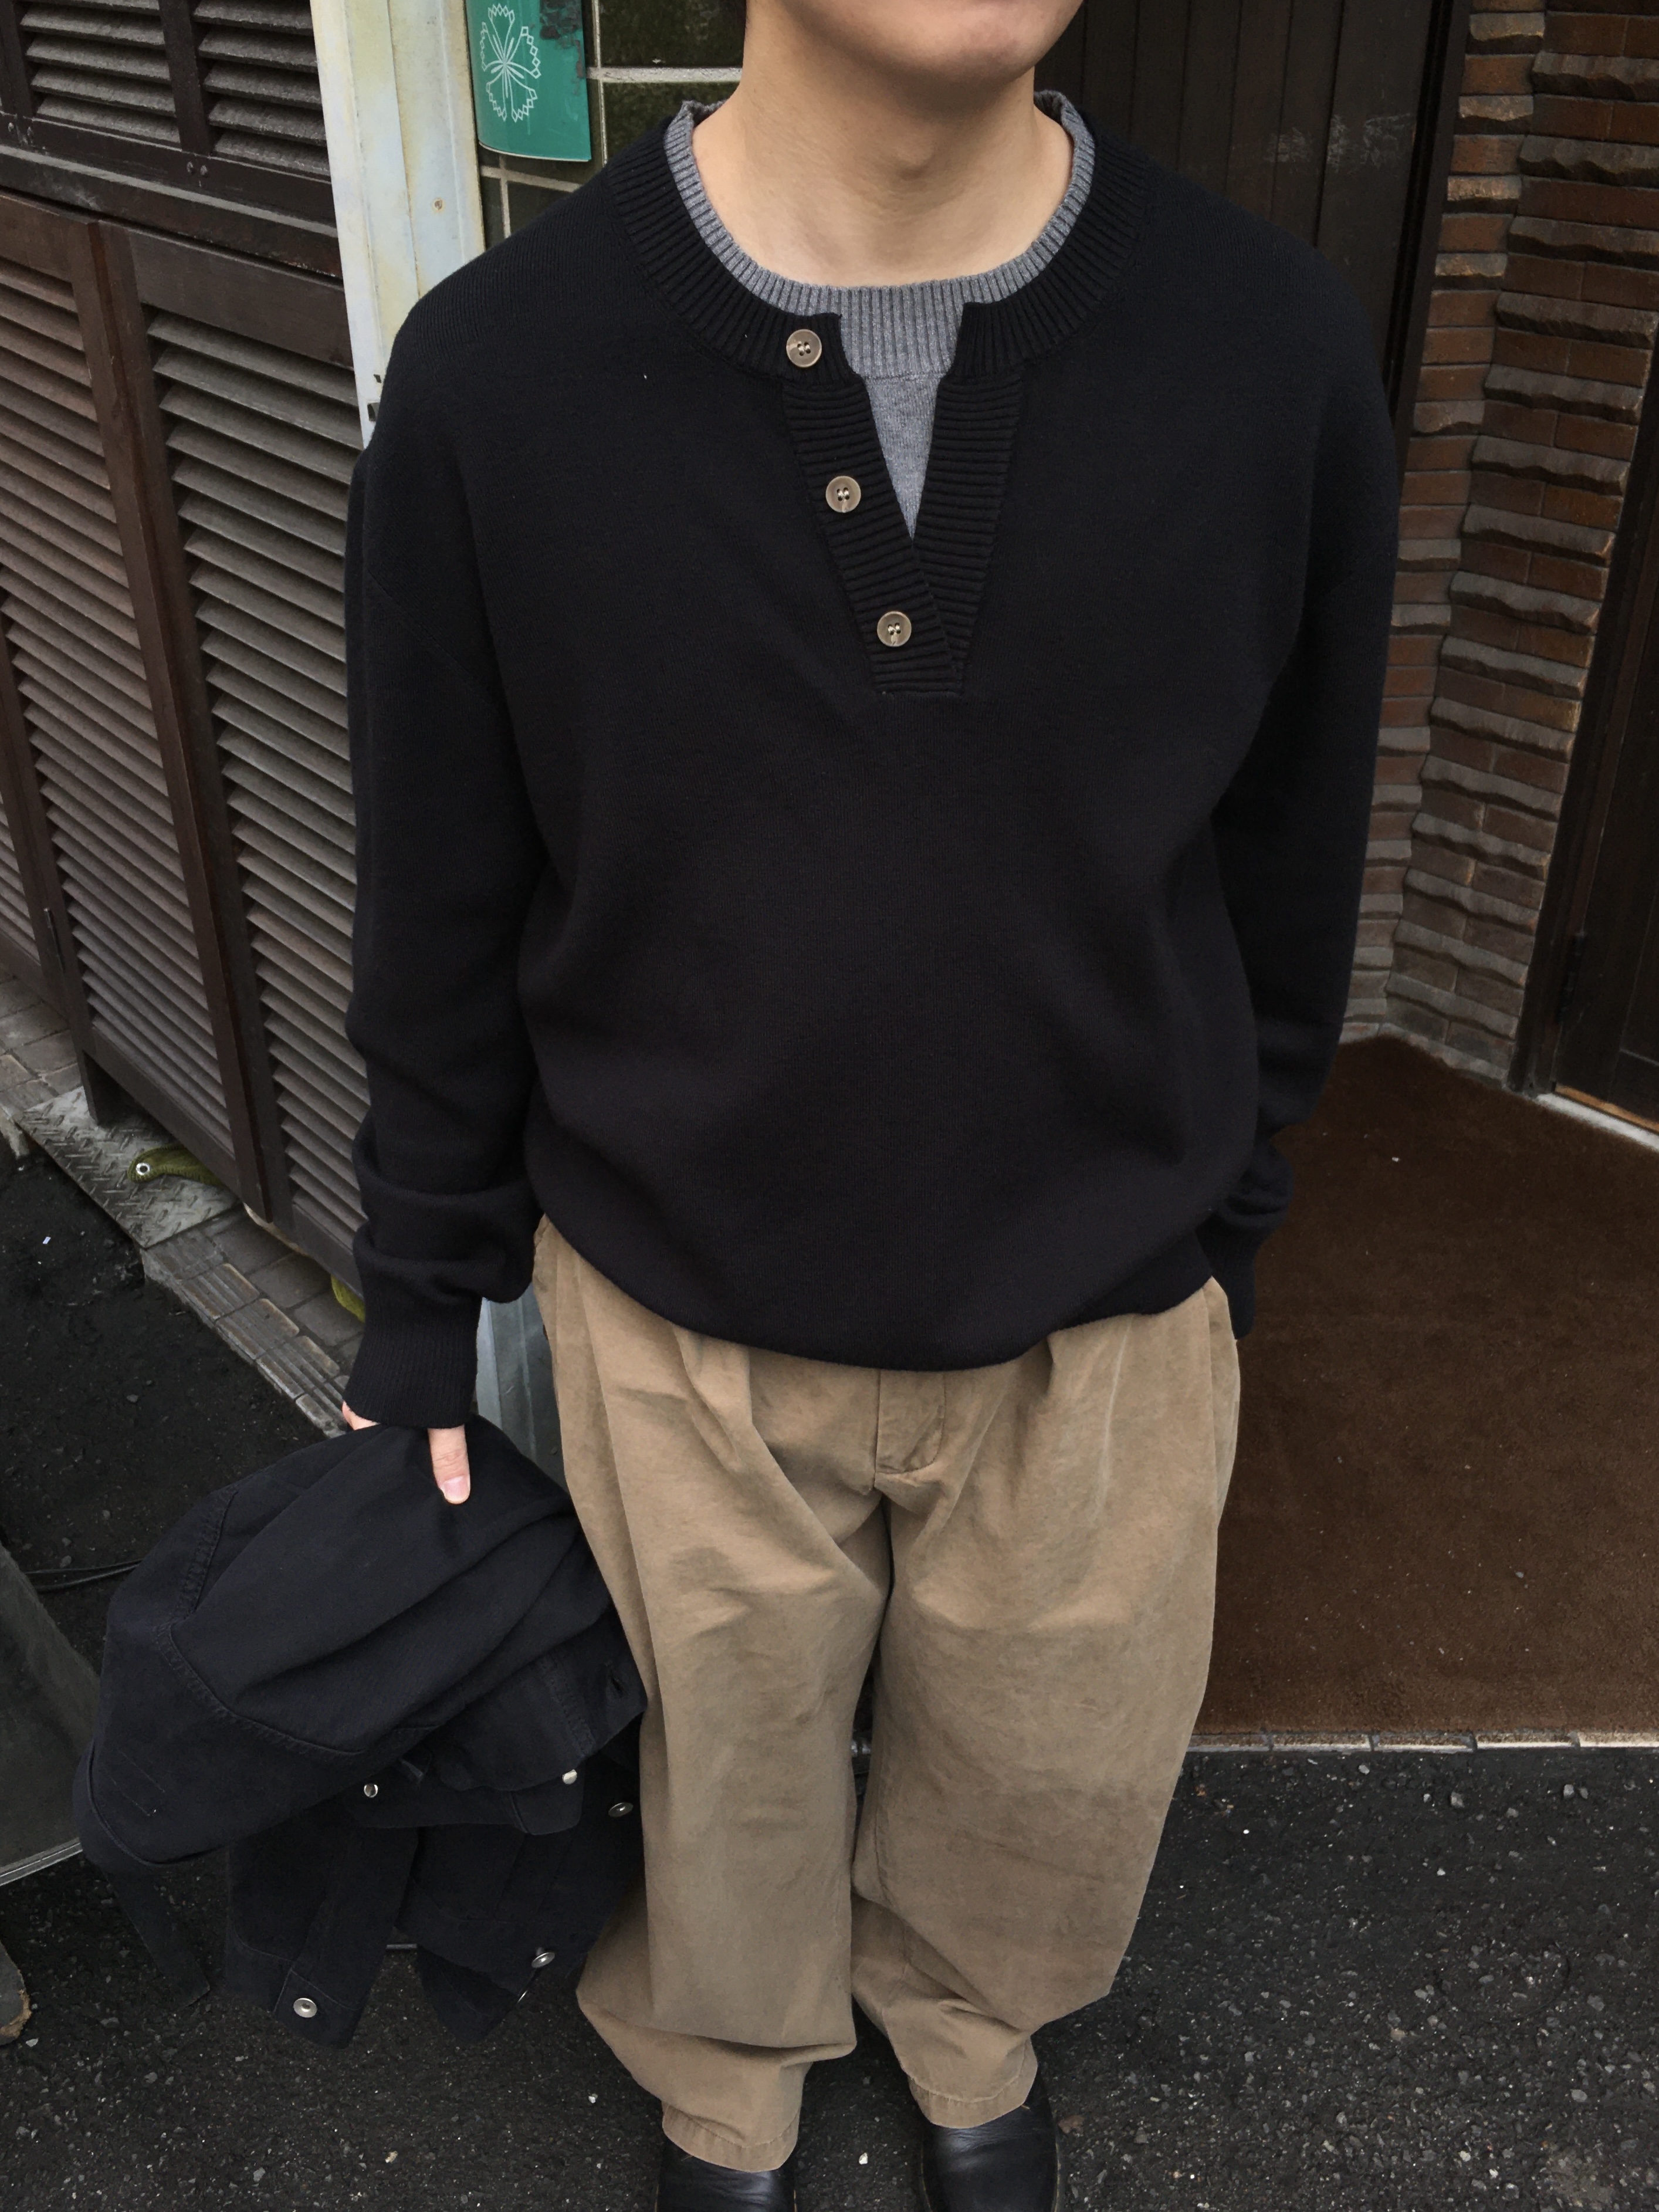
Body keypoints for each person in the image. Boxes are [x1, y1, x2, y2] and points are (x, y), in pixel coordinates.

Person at [337, 0, 1398, 2203]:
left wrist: (1234, 1205)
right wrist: (422, 1289)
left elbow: (1291, 846)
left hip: (1103, 1298)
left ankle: (964, 2016)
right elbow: (443, 878)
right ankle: (725, 2057)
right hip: (676, 1300)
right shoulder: (495, 378)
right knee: (714, 1767)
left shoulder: (1271, 350)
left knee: (1048, 1768)